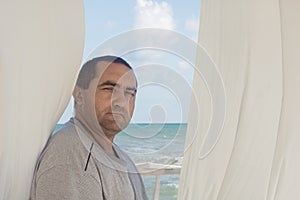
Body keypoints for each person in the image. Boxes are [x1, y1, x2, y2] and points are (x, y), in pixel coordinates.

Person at [30, 56, 148, 200]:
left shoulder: (120, 156)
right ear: (79, 95)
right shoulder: (71, 156)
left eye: (129, 93)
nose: (121, 102)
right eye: (108, 89)